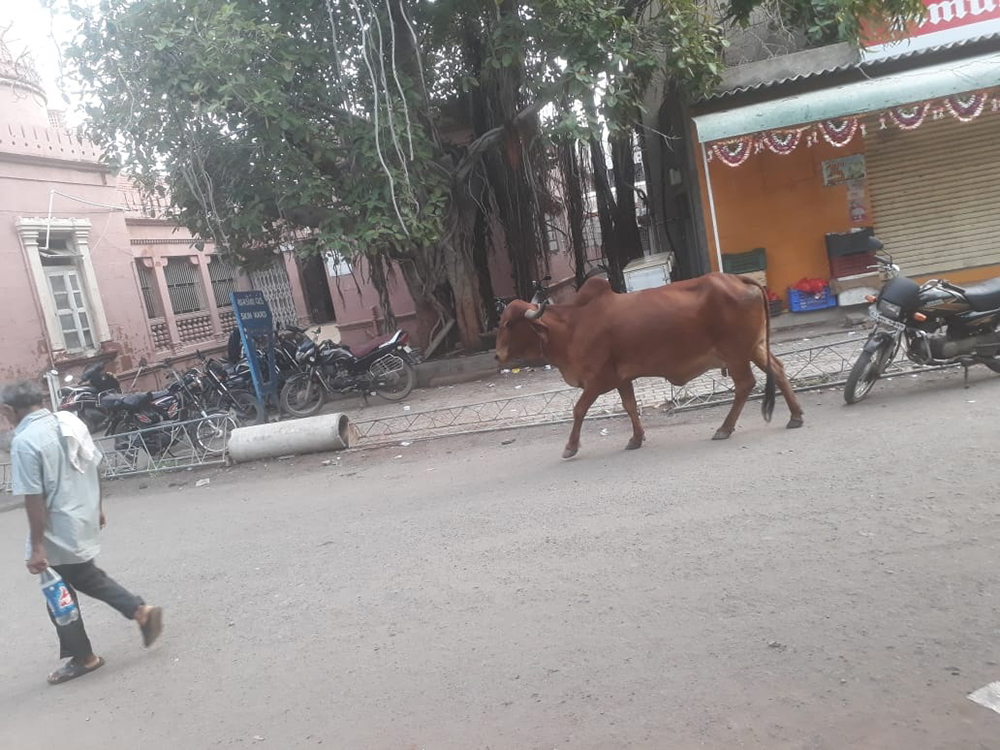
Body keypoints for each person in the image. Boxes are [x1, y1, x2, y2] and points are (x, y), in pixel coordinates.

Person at [2, 380, 163, 685]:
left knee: (61, 591)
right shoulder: (69, 421)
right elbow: (92, 465)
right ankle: (134, 616)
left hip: (57, 529)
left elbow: (33, 499)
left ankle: (89, 653)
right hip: (81, 515)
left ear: (9, 410)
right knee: (79, 579)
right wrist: (97, 506)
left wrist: (37, 546)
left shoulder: (25, 443)